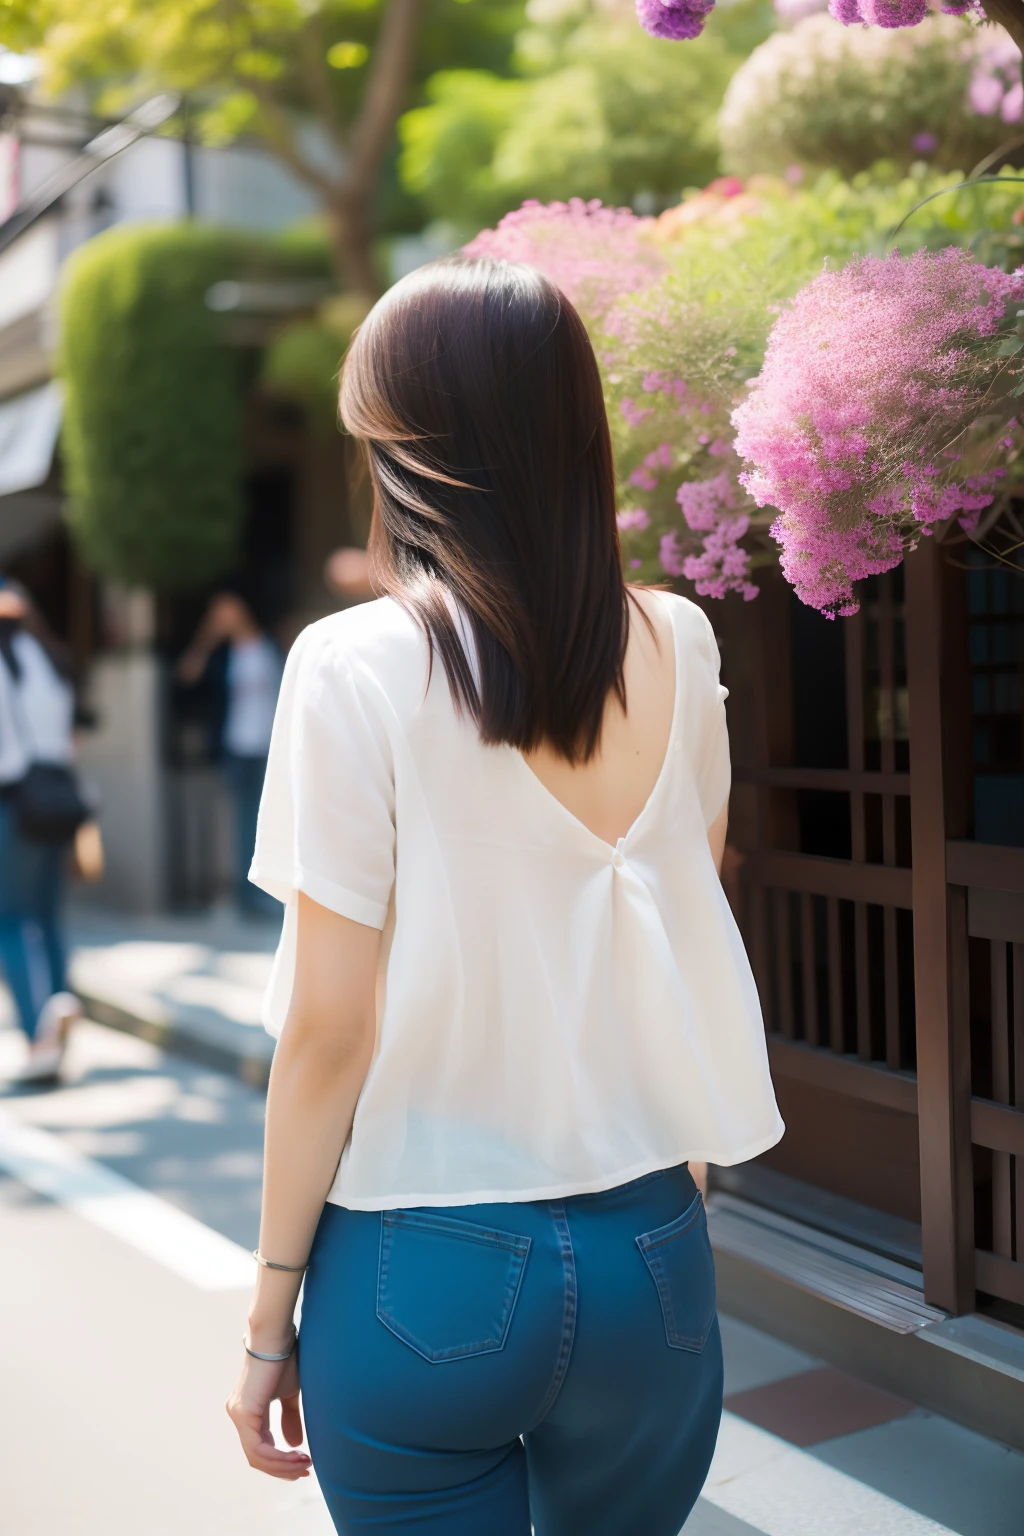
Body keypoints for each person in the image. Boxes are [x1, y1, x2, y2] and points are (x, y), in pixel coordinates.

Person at [226, 256, 784, 1535]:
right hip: (653, 1251)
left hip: (418, 1262)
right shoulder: (678, 641)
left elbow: (328, 1033)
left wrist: (269, 1320)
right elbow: (689, 912)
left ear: (407, 447)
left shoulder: (355, 664)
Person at [0, 579, 84, 1082]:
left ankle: (39, 1037)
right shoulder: (51, 660)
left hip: (14, 803)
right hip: (59, 799)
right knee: (49, 917)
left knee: (11, 920)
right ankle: (59, 1009)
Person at [178, 592, 283, 919]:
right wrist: (207, 637)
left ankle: (270, 892)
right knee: (243, 822)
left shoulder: (270, 647)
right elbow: (186, 675)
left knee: (275, 821)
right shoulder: (222, 656)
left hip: (271, 746)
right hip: (237, 747)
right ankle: (247, 896)